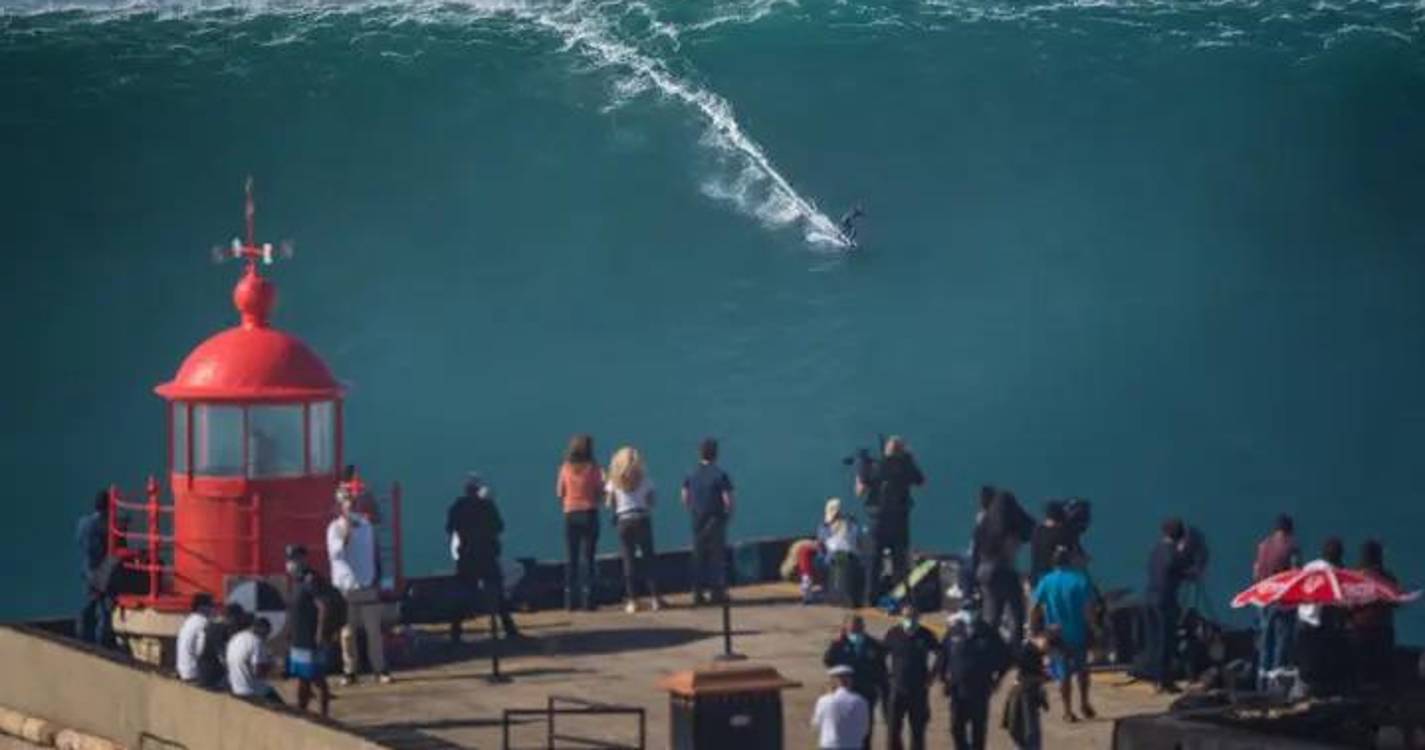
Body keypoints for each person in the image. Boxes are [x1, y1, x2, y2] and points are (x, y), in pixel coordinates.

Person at [327, 486, 390, 685]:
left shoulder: (366, 526)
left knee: (374, 633)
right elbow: (337, 553)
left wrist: (378, 578)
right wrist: (346, 529)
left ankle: (380, 670)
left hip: (367, 585)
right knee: (347, 633)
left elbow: (374, 553)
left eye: (352, 502)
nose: (349, 506)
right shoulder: (334, 528)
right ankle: (350, 671)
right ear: (339, 506)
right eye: (345, 502)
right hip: (346, 589)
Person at [447, 474, 522, 639]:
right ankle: (509, 629)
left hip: (466, 556)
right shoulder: (487, 506)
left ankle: (455, 632)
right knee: (498, 593)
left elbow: (450, 528)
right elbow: (499, 527)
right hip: (487, 555)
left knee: (462, 594)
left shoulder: (457, 507)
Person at [1030, 547, 1096, 722]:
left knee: (1063, 673)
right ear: (1070, 561)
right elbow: (1089, 608)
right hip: (1078, 632)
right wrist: (1094, 627)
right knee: (1083, 671)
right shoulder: (1080, 580)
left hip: (1056, 634)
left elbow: (1035, 606)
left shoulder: (1046, 581)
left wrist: (1034, 630)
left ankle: (1067, 710)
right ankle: (1084, 703)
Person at [933, 610, 1010, 750]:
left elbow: (1005, 658)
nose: (971, 614)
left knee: (978, 729)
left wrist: (999, 679)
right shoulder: (954, 631)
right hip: (957, 689)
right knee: (956, 727)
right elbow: (943, 655)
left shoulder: (989, 633)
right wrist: (943, 679)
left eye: (975, 610)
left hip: (980, 689)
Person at [861, 437, 924, 604]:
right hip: (899, 520)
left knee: (874, 561)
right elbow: (920, 480)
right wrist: (910, 459)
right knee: (899, 562)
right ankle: (899, 598)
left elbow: (861, 489)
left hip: (877, 518)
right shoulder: (905, 466)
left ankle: (870, 598)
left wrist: (862, 467)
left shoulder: (876, 466)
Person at [606, 447, 666, 614]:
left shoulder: (614, 481)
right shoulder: (644, 479)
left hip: (624, 521)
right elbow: (652, 501)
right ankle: (655, 598)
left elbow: (609, 503)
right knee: (649, 559)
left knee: (628, 560)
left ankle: (633, 601)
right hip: (642, 518)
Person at [285, 545, 340, 716]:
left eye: (294, 559)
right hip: (298, 637)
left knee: (317, 678)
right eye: (289, 560)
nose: (291, 564)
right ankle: (302, 711)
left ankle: (324, 714)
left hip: (310, 638)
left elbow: (322, 606)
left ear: (303, 559)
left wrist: (320, 633)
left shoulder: (311, 580)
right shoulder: (297, 580)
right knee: (302, 678)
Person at [975, 488, 1033, 645]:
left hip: (983, 570)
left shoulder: (984, 523)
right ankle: (1015, 649)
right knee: (1016, 612)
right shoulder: (1010, 525)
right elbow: (1029, 529)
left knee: (992, 614)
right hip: (1003, 568)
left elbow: (975, 549)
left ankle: (986, 648)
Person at [824, 614, 889, 750]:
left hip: (866, 694)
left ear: (863, 627)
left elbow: (882, 672)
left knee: (865, 731)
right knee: (845, 731)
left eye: (857, 626)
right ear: (845, 627)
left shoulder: (874, 645)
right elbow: (828, 661)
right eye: (851, 627)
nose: (855, 629)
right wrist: (837, 641)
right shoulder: (840, 644)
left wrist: (884, 695)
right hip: (845, 695)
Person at [682, 438, 734, 606]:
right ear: (715, 454)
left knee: (698, 556)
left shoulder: (691, 474)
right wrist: (727, 515)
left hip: (697, 519)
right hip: (715, 519)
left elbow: (684, 497)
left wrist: (693, 509)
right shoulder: (720, 474)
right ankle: (716, 592)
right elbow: (727, 500)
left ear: (700, 453)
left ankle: (697, 593)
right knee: (716, 557)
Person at [1252, 513, 1300, 690]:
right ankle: (1275, 687)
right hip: (1283, 603)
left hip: (1264, 600)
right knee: (1281, 644)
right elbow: (1296, 574)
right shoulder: (1291, 547)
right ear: (1289, 530)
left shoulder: (1262, 545)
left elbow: (1256, 574)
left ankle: (1261, 684)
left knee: (1265, 643)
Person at [1297, 537, 1350, 696]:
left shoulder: (1309, 567)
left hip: (1303, 617)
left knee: (1305, 665)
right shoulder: (1334, 572)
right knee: (1320, 664)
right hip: (1321, 622)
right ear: (1338, 555)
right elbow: (1337, 602)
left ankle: (1305, 692)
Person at [557, 434, 604, 611]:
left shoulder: (565, 468)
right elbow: (600, 493)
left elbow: (560, 492)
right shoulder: (593, 468)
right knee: (588, 558)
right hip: (589, 512)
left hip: (570, 513)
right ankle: (588, 599)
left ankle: (569, 600)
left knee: (571, 557)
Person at [1144, 518, 1190, 693]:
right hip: (1165, 600)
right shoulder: (1173, 552)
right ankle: (1164, 680)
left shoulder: (1156, 550)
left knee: (1155, 640)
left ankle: (1155, 677)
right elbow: (1177, 567)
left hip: (1150, 597)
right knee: (1166, 640)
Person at [883, 603, 937, 750]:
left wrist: (933, 675)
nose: (910, 619)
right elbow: (881, 655)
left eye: (913, 616)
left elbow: (941, 655)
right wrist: (887, 675)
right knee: (893, 729)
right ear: (901, 617)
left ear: (919, 617)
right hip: (897, 688)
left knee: (918, 730)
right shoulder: (893, 634)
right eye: (907, 616)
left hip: (919, 689)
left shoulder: (926, 634)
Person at [1352, 539, 1399, 691]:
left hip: (1359, 629)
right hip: (1382, 630)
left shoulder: (1353, 578)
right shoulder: (1389, 578)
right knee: (1381, 672)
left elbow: (1347, 603)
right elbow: (1396, 602)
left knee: (1361, 669)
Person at [74, 489, 111, 646]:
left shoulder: (83, 522)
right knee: (104, 610)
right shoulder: (104, 526)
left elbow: (79, 541)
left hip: (87, 568)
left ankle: (82, 633)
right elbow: (106, 549)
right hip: (100, 571)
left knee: (89, 602)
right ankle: (100, 642)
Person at [1001, 642, 1049, 750]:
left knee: (1030, 729)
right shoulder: (1020, 642)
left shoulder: (1039, 645)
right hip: (1018, 687)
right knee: (1013, 726)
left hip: (1031, 688)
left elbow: (1047, 672)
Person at [817, 498, 864, 607]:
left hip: (846, 557)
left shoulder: (851, 525)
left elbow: (855, 543)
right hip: (835, 559)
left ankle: (839, 593)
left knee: (839, 557)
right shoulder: (824, 527)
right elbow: (823, 546)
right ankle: (837, 591)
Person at [812, 665, 872, 750]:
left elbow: (816, 724)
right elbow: (865, 730)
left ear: (834, 681)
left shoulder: (824, 701)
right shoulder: (861, 701)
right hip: (853, 745)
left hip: (830, 745)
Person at [227, 616, 281, 703]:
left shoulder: (236, 637)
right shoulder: (256, 642)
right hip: (250, 690)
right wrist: (271, 665)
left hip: (234, 686)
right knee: (277, 699)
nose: (266, 636)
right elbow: (258, 672)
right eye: (267, 632)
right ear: (262, 629)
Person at [1027, 501, 1082, 586]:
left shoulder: (1037, 531)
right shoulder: (1062, 534)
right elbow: (1076, 557)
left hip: (1035, 578)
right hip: (1053, 581)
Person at [197, 603, 246, 690]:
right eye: (237, 619)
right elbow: (223, 658)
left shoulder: (215, 625)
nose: (238, 623)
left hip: (208, 672)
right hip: (211, 677)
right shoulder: (217, 629)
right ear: (232, 617)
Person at [175, 593, 216, 683]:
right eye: (211, 606)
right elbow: (201, 650)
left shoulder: (189, 620)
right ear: (202, 607)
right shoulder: (203, 623)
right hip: (194, 673)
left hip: (182, 670)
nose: (213, 609)